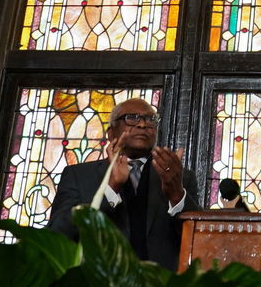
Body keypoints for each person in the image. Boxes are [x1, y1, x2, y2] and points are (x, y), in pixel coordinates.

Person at [48, 98, 199, 267]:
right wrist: (111, 189)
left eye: (150, 119)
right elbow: (59, 235)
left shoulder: (180, 177)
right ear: (111, 132)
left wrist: (176, 194)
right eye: (131, 118)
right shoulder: (78, 175)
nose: (142, 124)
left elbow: (199, 238)